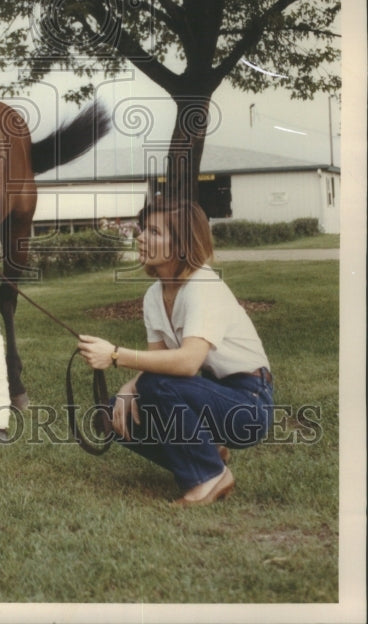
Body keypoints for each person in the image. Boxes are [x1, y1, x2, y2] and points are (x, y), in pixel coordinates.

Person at [77, 198, 274, 507]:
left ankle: (210, 475)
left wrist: (115, 355)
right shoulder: (155, 295)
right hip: (209, 392)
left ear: (182, 244)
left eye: (154, 232)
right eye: (143, 230)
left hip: (248, 404)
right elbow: (159, 360)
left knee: (158, 386)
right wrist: (130, 387)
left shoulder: (203, 285)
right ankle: (208, 454)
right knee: (113, 412)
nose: (141, 237)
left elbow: (186, 363)